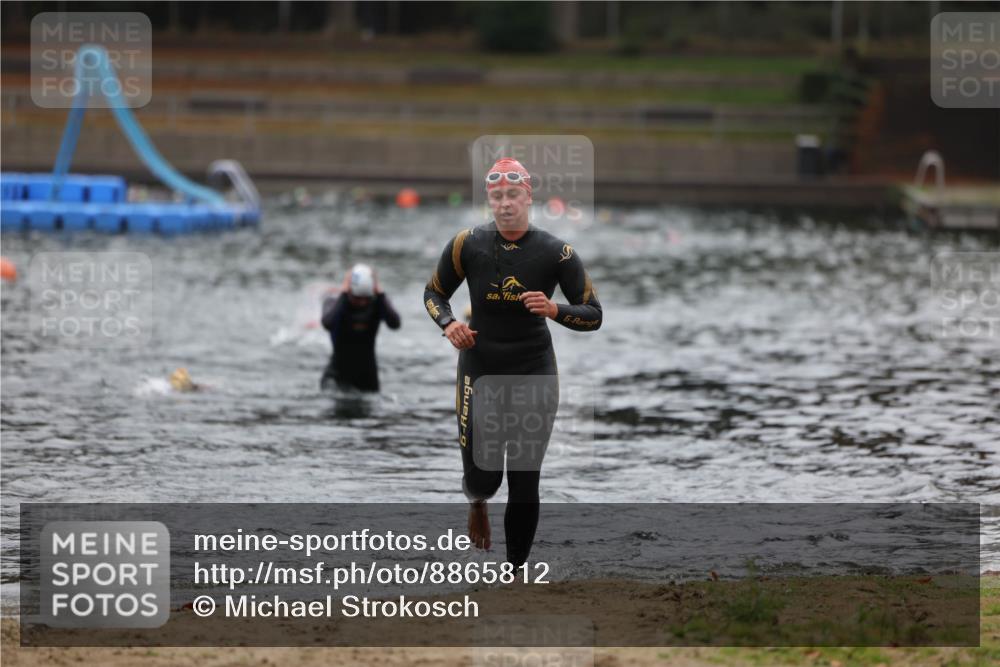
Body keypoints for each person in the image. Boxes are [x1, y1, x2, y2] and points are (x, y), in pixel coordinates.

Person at [423, 157, 602, 567]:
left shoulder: (556, 252)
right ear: (490, 199)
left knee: (524, 478)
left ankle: (515, 573)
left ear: (528, 197)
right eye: (497, 196)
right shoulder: (467, 244)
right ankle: (477, 502)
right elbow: (434, 293)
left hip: (533, 370)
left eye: (513, 195)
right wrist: (449, 324)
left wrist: (554, 310)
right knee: (484, 478)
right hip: (480, 368)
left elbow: (594, 314)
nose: (505, 203)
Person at [321, 263, 401, 392]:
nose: (362, 303)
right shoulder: (334, 302)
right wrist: (343, 293)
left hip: (367, 377)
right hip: (337, 376)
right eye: (357, 298)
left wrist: (380, 293)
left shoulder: (378, 303)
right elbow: (327, 323)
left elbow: (395, 324)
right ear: (349, 291)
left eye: (366, 298)